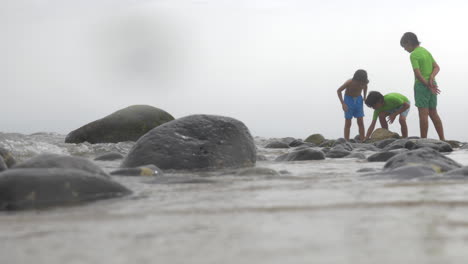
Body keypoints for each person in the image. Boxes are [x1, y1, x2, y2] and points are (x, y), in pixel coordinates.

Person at [400, 32, 445, 140]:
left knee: (423, 114)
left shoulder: (414, 54)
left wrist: (426, 84)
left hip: (422, 85)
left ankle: (423, 140)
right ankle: (443, 139)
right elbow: (437, 67)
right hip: (432, 84)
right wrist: (431, 78)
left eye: (404, 46)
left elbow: (418, 73)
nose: (405, 49)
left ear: (409, 42)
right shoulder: (426, 51)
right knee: (433, 113)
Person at [336, 69, 368, 141]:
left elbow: (365, 87)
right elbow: (339, 91)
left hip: (359, 100)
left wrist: (365, 96)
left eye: (362, 82)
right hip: (348, 100)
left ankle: (362, 139)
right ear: (356, 78)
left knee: (360, 121)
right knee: (348, 122)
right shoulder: (349, 82)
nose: (360, 83)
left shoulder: (364, 83)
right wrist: (343, 103)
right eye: (359, 81)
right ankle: (346, 140)